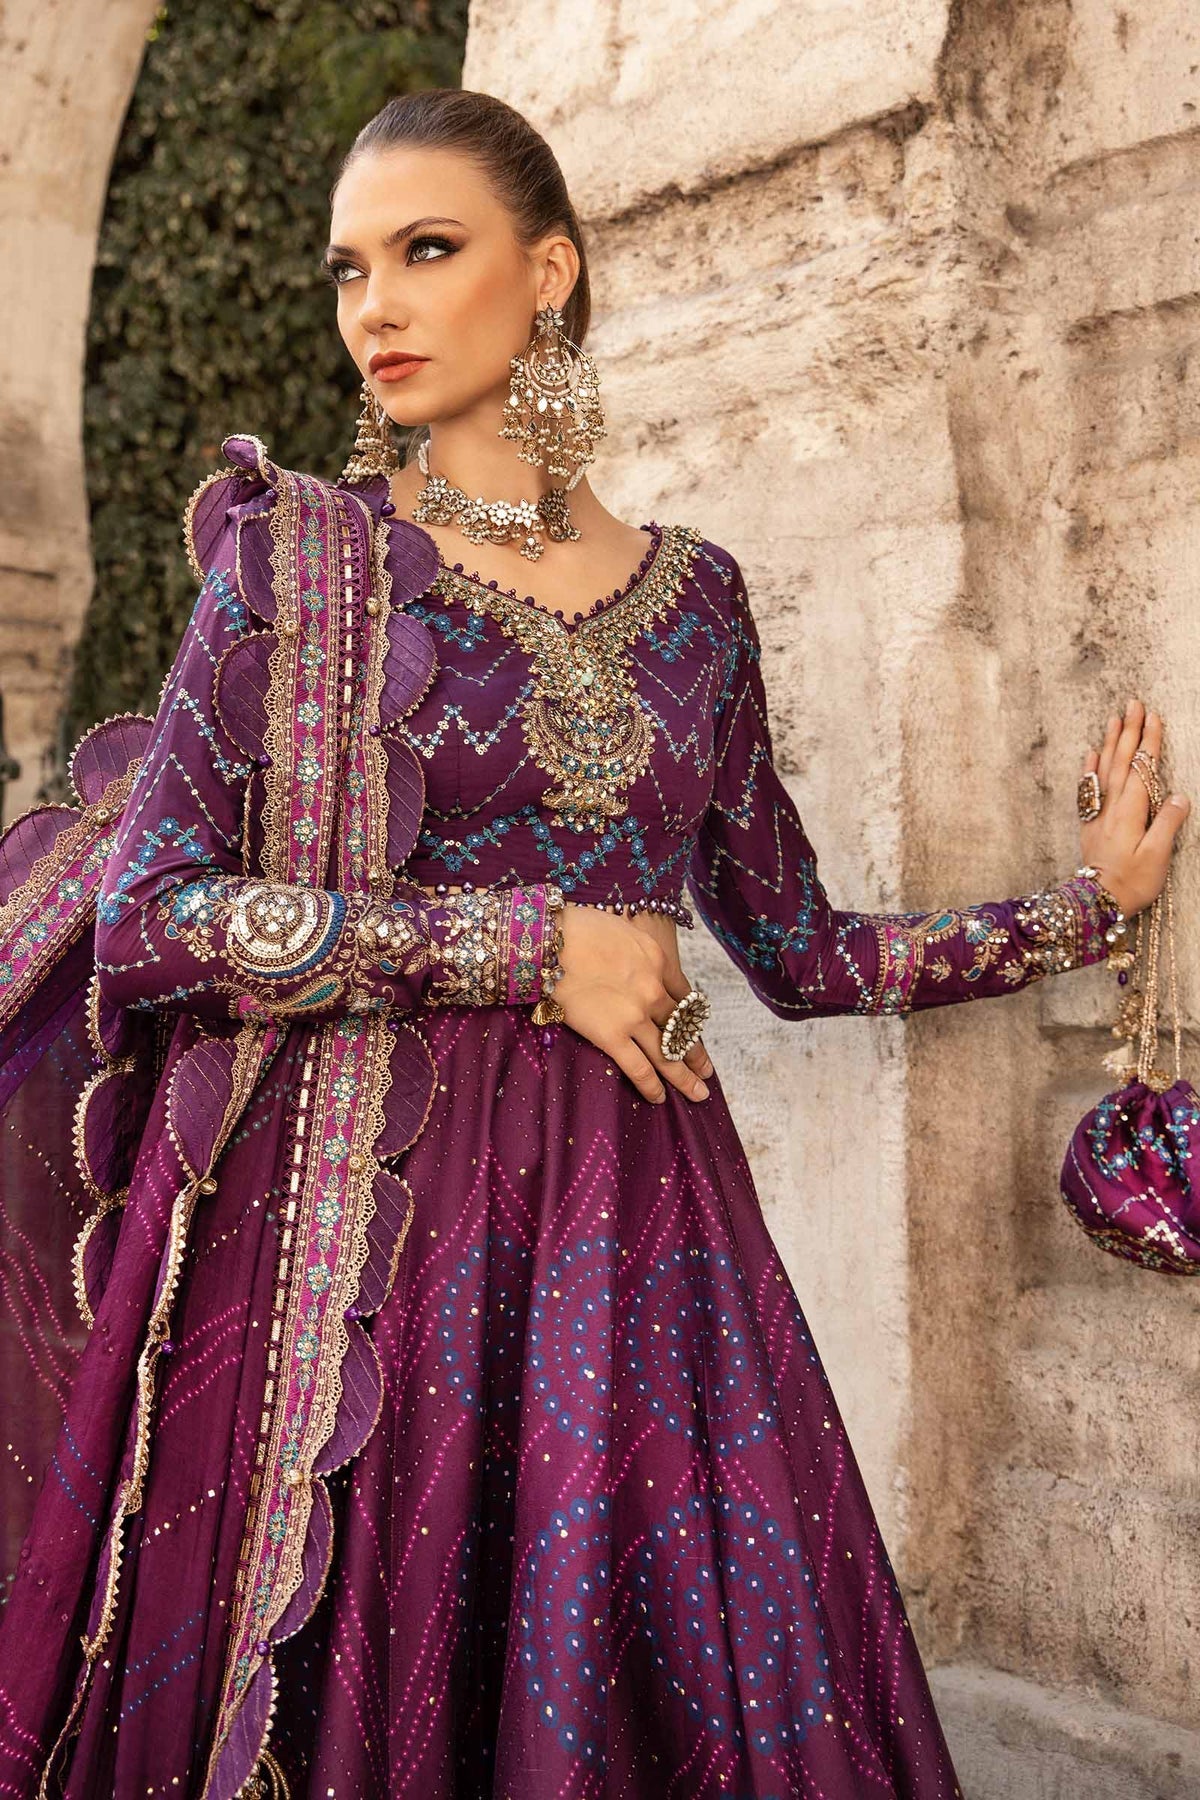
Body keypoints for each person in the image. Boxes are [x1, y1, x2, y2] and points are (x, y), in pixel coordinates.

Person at [0, 86, 1186, 1800]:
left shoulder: (696, 601)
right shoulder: (298, 569)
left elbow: (798, 949)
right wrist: (525, 946)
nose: (375, 307)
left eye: (427, 250)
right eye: (349, 270)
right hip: (376, 1264)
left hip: (644, 1251)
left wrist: (1088, 908)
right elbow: (148, 924)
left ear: (548, 272)